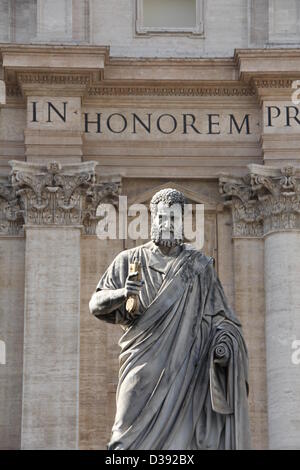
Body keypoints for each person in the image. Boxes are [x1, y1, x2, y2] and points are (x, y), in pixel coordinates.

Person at [89, 188, 251, 450]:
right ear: (152, 219)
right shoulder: (129, 260)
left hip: (186, 370)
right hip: (140, 366)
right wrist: (123, 293)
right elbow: (95, 305)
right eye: (162, 218)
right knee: (123, 439)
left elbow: (223, 318)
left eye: (173, 219)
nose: (167, 224)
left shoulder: (199, 267)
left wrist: (224, 344)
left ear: (183, 222)